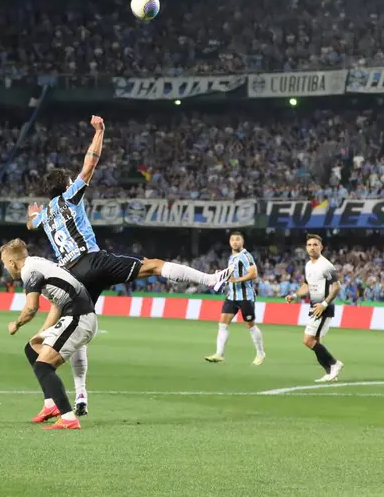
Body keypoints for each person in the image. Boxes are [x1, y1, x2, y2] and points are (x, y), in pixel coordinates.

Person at [25, 115, 234, 414]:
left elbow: (31, 224)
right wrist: (100, 132)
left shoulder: (45, 215)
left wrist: (32, 213)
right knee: (152, 265)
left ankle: (81, 396)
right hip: (91, 260)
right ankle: (211, 280)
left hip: (71, 276)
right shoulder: (70, 197)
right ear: (66, 185)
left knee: (78, 329)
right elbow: (90, 164)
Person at [0, 238, 97, 430]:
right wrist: (42, 333)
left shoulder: (30, 271)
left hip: (79, 318)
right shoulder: (38, 264)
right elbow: (56, 305)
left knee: (43, 366)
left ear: (12, 262)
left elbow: (31, 308)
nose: (5, 268)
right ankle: (50, 405)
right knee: (32, 348)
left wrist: (16, 324)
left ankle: (69, 418)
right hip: (74, 316)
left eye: (4, 264)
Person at [285, 234, 344, 383]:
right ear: (306, 247)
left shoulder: (326, 265)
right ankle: (329, 372)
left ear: (321, 247)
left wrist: (324, 304)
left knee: (307, 340)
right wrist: (295, 295)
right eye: (309, 245)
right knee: (316, 341)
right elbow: (306, 286)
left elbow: (337, 287)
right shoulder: (308, 265)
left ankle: (334, 363)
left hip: (323, 308)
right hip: (315, 307)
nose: (312, 247)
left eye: (315, 245)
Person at [205, 231, 265, 365]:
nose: (235, 242)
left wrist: (237, 280)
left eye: (237, 239)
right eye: (232, 240)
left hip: (245, 297)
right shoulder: (231, 257)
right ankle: (219, 353)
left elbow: (253, 273)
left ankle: (260, 353)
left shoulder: (246, 256)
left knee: (250, 325)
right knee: (222, 323)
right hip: (231, 296)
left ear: (242, 242)